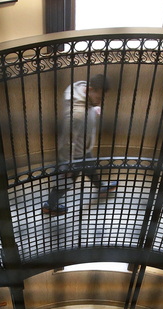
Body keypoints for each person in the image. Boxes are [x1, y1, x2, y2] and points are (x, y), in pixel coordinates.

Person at [41, 73, 118, 216]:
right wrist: (67, 164)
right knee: (65, 183)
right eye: (99, 98)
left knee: (90, 167)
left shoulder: (78, 88)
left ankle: (100, 187)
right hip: (73, 155)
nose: (100, 102)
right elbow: (68, 141)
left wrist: (93, 107)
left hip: (83, 147)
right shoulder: (77, 115)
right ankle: (49, 206)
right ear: (90, 90)